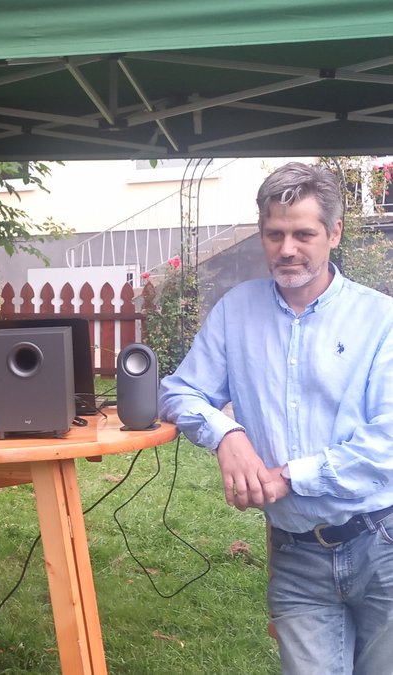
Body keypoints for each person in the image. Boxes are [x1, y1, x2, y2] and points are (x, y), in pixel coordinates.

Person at [160, 161, 393, 674]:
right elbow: (179, 392)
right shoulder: (234, 311)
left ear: (334, 232)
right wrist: (227, 434)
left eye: (303, 233)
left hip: (382, 543)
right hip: (297, 556)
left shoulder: (380, 319)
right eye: (274, 234)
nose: (287, 249)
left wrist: (290, 476)